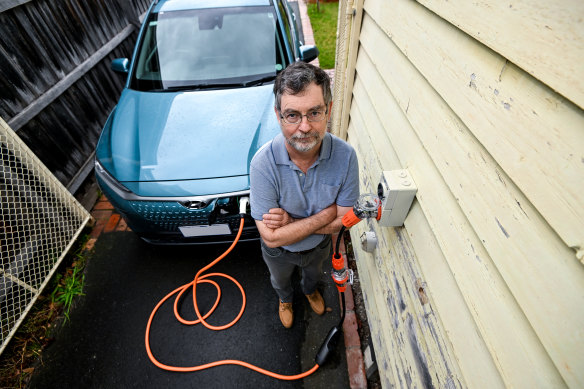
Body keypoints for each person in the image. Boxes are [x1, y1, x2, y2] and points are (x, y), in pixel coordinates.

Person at [249, 62, 359, 328]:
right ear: (278, 115)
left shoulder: (346, 157)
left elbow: (345, 221)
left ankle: (310, 292)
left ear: (328, 110)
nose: (305, 127)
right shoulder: (262, 164)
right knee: (280, 280)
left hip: (319, 247)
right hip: (280, 253)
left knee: (313, 276)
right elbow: (272, 237)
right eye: (292, 115)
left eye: (314, 112)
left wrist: (290, 223)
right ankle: (285, 299)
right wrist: (327, 213)